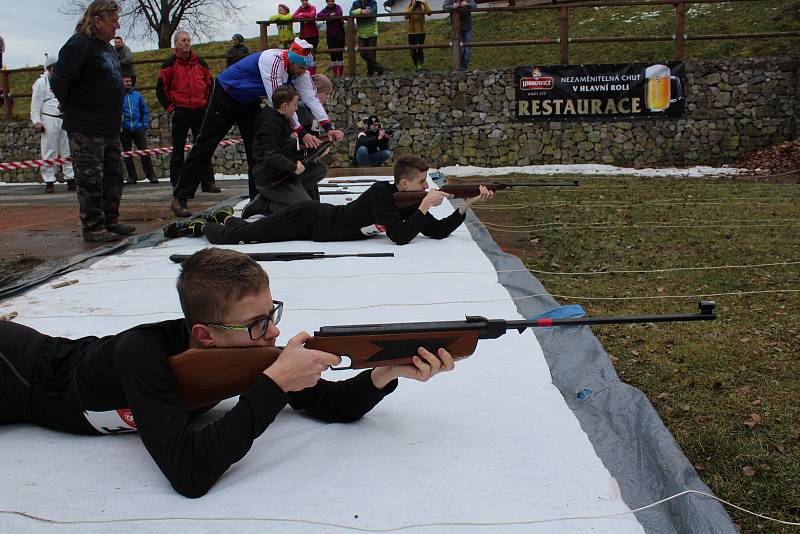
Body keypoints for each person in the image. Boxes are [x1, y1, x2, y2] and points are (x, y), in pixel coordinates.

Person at [0, 247, 458, 498]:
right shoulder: (142, 353)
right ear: (205, 334)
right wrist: (273, 385)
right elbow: (189, 472)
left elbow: (331, 404)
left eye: (271, 312)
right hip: (20, 370)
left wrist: (386, 371)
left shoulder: (245, 351)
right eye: (258, 323)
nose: (274, 330)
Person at [169, 38, 345, 217]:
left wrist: (328, 127)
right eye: (300, 68)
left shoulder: (300, 73)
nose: (303, 73)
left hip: (248, 100)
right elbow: (280, 103)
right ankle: (180, 197)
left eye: (306, 69)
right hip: (226, 93)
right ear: (291, 61)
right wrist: (301, 132)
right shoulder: (272, 61)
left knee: (258, 149)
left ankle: (258, 198)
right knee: (205, 144)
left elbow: (311, 100)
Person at [166, 155, 494, 246]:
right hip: (309, 219)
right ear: (404, 183)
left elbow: (432, 231)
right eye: (421, 182)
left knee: (253, 231)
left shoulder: (406, 201)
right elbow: (399, 236)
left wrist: (466, 205)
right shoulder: (384, 195)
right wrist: (424, 205)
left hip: (314, 224)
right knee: (238, 240)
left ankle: (226, 217)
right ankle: (205, 226)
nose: (426, 187)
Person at [51, 0, 135, 242]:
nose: (117, 26)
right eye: (113, 20)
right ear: (97, 21)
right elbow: (59, 80)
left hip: (109, 125)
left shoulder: (107, 48)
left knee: (113, 175)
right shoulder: (79, 45)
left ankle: (111, 220)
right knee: (90, 178)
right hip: (86, 126)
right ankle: (93, 226)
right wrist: (72, 104)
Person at [241, 86, 329, 219]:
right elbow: (271, 155)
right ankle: (265, 204)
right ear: (284, 106)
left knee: (319, 169)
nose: (297, 108)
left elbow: (287, 148)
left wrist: (317, 150)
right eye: (294, 105)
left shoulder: (281, 119)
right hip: (270, 178)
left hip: (282, 172)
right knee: (305, 210)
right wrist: (293, 167)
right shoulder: (270, 124)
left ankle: (292, 196)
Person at [156, 29, 218, 199]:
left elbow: (210, 84)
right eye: (183, 40)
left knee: (204, 146)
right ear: (176, 43)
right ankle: (177, 183)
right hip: (181, 110)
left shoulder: (201, 63)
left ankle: (208, 182)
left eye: (189, 39)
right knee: (178, 149)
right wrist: (171, 108)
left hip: (200, 109)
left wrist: (206, 104)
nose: (186, 42)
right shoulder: (169, 64)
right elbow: (161, 89)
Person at [30, 54, 75, 194]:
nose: (54, 70)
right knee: (49, 150)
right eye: (52, 68)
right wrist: (37, 121)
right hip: (48, 118)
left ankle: (71, 179)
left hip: (63, 117)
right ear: (48, 68)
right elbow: (35, 103)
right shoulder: (41, 82)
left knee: (67, 149)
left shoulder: (64, 80)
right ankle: (49, 180)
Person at [120, 74, 157, 185]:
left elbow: (144, 110)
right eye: (126, 81)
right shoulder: (118, 96)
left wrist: (144, 124)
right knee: (127, 154)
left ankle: (151, 175)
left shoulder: (137, 95)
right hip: (124, 129)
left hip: (138, 127)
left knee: (144, 151)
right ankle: (132, 176)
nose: (128, 83)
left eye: (129, 81)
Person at [350, 0, 385, 76]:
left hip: (372, 32)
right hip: (361, 33)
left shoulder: (373, 2)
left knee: (371, 54)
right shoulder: (356, 3)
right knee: (363, 53)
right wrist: (361, 11)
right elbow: (351, 12)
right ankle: (379, 68)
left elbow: (374, 11)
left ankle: (370, 73)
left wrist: (366, 12)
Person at [443, 0, 476, 71]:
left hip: (467, 28)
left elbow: (474, 6)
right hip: (456, 29)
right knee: (460, 49)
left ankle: (464, 69)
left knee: (467, 51)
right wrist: (453, 6)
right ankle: (458, 68)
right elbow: (445, 7)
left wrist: (467, 4)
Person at [318, 0, 345, 78]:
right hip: (330, 35)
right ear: (326, 2)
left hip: (340, 34)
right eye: (329, 1)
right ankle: (335, 76)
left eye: (332, 1)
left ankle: (340, 76)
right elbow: (319, 15)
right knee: (332, 55)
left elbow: (339, 13)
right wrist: (331, 15)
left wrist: (327, 17)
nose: (330, 3)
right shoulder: (325, 9)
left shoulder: (338, 7)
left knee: (340, 54)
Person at [293, 0, 319, 75]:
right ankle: (307, 74)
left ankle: (313, 75)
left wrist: (302, 14)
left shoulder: (312, 7)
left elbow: (312, 15)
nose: (304, 2)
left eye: (305, 0)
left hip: (313, 35)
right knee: (304, 55)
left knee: (312, 54)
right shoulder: (300, 8)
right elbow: (294, 16)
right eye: (302, 0)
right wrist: (304, 14)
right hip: (303, 36)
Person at [405, 0, 431, 73]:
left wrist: (424, 2)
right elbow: (406, 16)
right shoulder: (409, 7)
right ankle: (417, 65)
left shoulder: (422, 7)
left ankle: (420, 66)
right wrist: (412, 6)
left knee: (420, 50)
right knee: (412, 51)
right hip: (411, 33)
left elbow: (429, 12)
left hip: (421, 32)